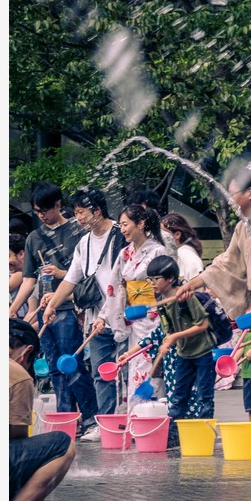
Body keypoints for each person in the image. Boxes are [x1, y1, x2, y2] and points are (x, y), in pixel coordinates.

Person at [175, 153, 251, 438]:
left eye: (234, 191)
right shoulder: (243, 226)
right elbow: (227, 263)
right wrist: (196, 281)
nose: (229, 198)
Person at [41, 187, 127, 440]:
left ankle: (133, 419)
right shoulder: (84, 243)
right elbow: (71, 279)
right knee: (102, 371)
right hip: (96, 318)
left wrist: (107, 312)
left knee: (130, 369)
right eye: (76, 213)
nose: (78, 218)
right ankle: (106, 423)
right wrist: (51, 306)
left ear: (97, 211)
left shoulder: (119, 237)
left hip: (124, 315)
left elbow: (121, 281)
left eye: (81, 212)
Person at [10, 182, 96, 425]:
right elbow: (28, 280)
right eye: (37, 212)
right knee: (54, 368)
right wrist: (14, 308)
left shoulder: (78, 232)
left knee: (71, 363)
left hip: (69, 307)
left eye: (45, 210)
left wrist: (60, 273)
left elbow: (85, 274)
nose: (41, 216)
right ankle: (67, 419)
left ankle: (90, 417)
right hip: (44, 310)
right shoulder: (34, 238)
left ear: (58, 205)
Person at [10, 318, 76, 501]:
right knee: (61, 444)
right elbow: (14, 438)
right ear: (27, 352)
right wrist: (33, 498)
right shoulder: (16, 373)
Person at [104, 204, 169, 406]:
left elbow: (167, 284)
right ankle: (137, 419)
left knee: (156, 368)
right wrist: (104, 316)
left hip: (155, 318)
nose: (122, 229)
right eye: (121, 225)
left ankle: (155, 419)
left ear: (140, 224)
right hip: (135, 318)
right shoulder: (125, 254)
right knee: (136, 366)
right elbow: (114, 287)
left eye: (125, 224)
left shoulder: (159, 251)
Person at [146, 255, 216, 420]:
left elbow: (203, 324)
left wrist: (175, 336)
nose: (153, 284)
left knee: (205, 397)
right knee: (178, 396)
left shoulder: (186, 296)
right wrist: (168, 340)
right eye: (150, 280)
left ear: (170, 278)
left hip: (203, 352)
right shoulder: (161, 300)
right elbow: (169, 329)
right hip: (184, 353)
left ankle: (205, 433)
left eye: (156, 279)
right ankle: (174, 434)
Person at [160, 213, 205, 282]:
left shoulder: (187, 256)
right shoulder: (182, 254)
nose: (160, 237)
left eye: (163, 233)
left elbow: (196, 289)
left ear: (177, 234)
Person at [233, 326, 251, 421]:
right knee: (250, 406)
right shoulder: (246, 330)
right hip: (247, 374)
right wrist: (231, 363)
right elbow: (241, 347)